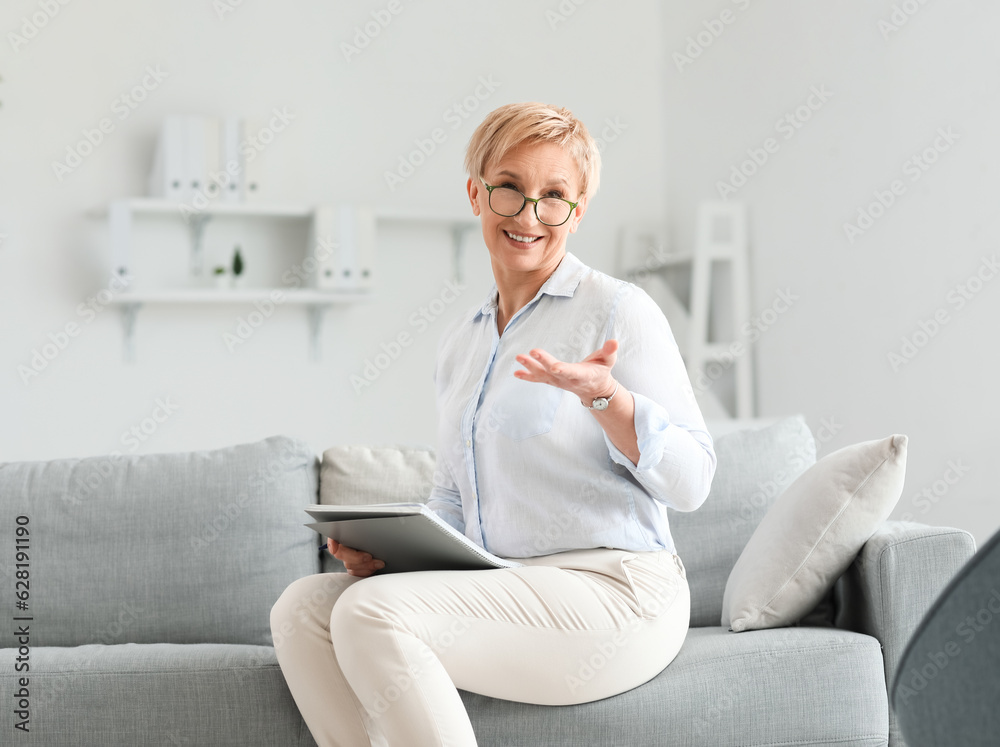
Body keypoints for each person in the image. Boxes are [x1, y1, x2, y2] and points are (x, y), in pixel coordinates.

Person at [270, 101, 717, 747]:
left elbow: (694, 481)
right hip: (508, 586)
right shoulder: (463, 341)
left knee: (373, 615)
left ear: (578, 209)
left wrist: (607, 400)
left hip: (618, 593)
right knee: (303, 609)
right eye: (509, 188)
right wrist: (392, 557)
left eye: (553, 196)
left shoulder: (619, 309)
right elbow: (454, 497)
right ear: (476, 192)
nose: (529, 215)